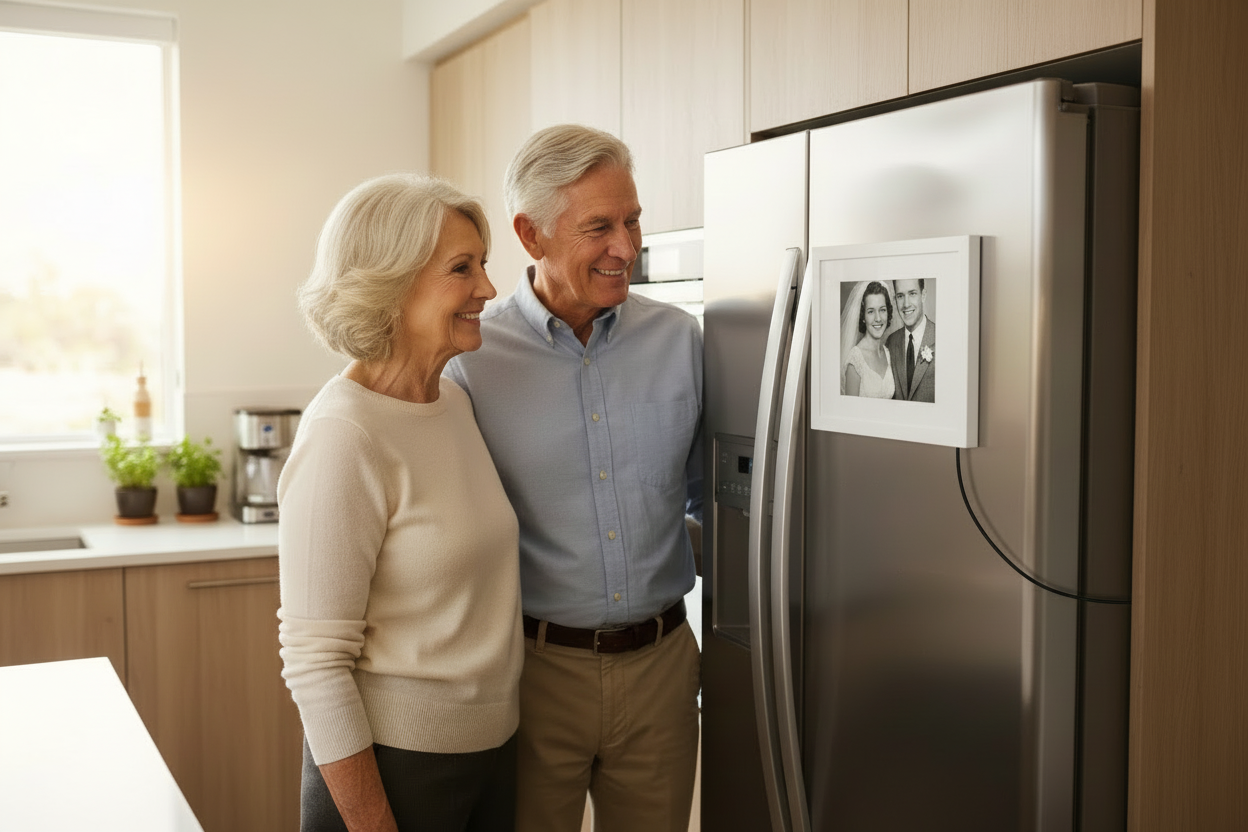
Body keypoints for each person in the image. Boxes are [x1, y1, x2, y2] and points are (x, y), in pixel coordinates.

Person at [445, 124, 702, 832]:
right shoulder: (471, 359)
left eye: (632, 220)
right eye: (599, 227)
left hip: (662, 670)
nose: (626, 247)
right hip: (531, 673)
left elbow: (714, 500)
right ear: (531, 234)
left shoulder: (681, 340)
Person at [278, 173, 524, 832]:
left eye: (483, 264)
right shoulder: (345, 433)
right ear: (391, 284)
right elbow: (315, 664)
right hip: (395, 770)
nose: (488, 289)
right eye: (461, 268)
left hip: (492, 752)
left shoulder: (453, 403)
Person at [840, 279, 897, 398]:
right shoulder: (855, 360)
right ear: (863, 316)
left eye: (882, 310)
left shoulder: (887, 353)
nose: (878, 318)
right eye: (871, 311)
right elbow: (849, 408)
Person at [887, 277, 936, 402]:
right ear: (895, 299)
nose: (906, 304)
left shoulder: (940, 337)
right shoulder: (891, 342)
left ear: (923, 295)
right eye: (900, 296)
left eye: (912, 293)